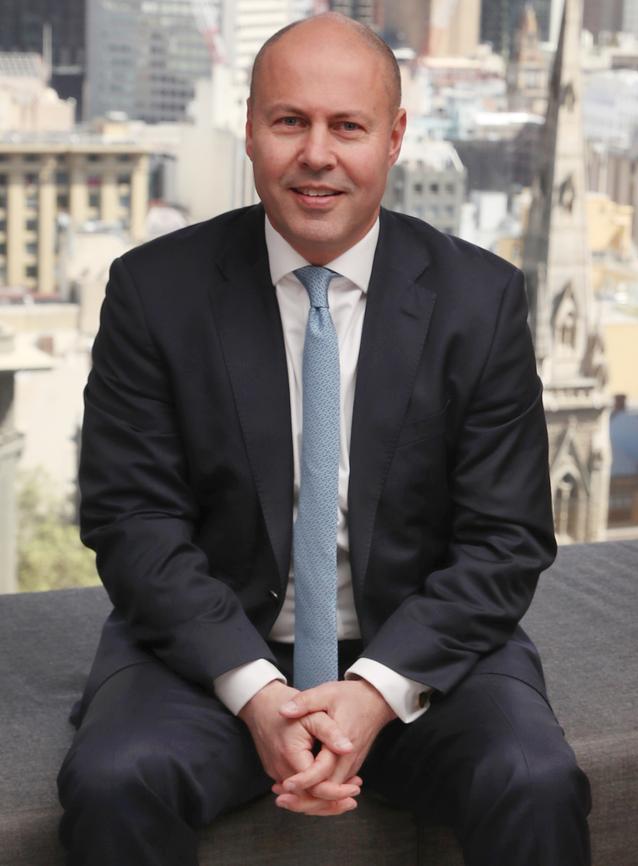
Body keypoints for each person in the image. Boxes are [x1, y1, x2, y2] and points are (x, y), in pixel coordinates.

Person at [57, 12, 591, 866]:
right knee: (117, 780)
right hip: (210, 653)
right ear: (250, 130)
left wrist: (373, 692)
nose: (317, 154)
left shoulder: (479, 300)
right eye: (289, 121)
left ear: (395, 139)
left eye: (348, 126)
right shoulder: (153, 292)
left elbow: (506, 538)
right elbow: (132, 525)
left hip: (420, 655)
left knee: (533, 778)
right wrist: (259, 692)